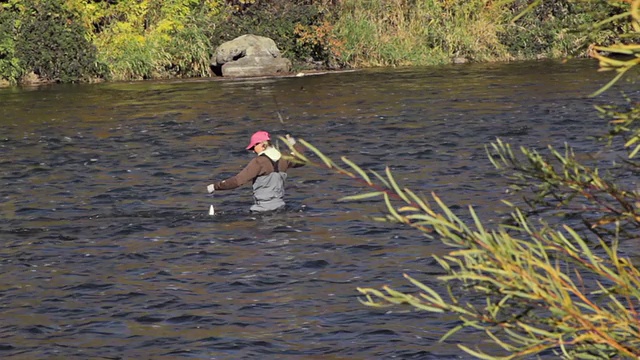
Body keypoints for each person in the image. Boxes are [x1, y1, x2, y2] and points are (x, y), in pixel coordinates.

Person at [206, 131, 305, 212]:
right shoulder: (284, 158)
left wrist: (215, 186)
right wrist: (293, 144)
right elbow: (302, 161)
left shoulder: (259, 162)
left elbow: (237, 181)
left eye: (253, 147)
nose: (253, 150)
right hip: (280, 208)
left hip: (261, 211)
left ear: (262, 145)